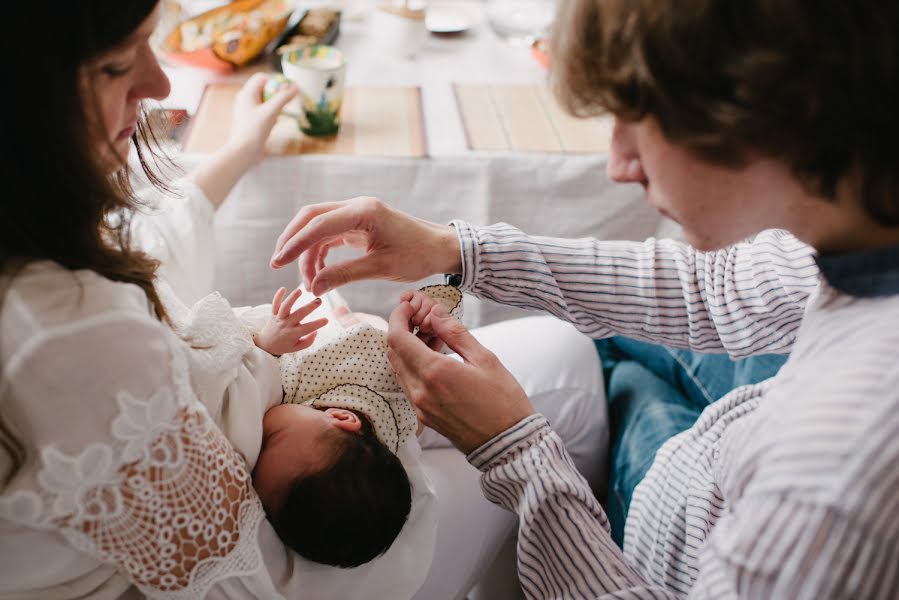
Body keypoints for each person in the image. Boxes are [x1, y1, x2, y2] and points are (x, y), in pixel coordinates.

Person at [269, 0, 899, 597]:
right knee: (586, 350)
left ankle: (614, 396)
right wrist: (454, 250)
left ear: (778, 105)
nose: (617, 164)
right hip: (730, 440)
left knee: (593, 370)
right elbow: (716, 289)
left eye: (641, 118)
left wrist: (511, 445)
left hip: (670, 535)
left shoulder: (832, 479)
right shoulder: (858, 230)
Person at [0, 3, 441, 598]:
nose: (160, 84)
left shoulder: (35, 244)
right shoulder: (65, 334)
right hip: (297, 566)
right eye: (116, 64)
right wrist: (402, 442)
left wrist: (241, 148)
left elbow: (150, 254)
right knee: (546, 377)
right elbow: (238, 575)